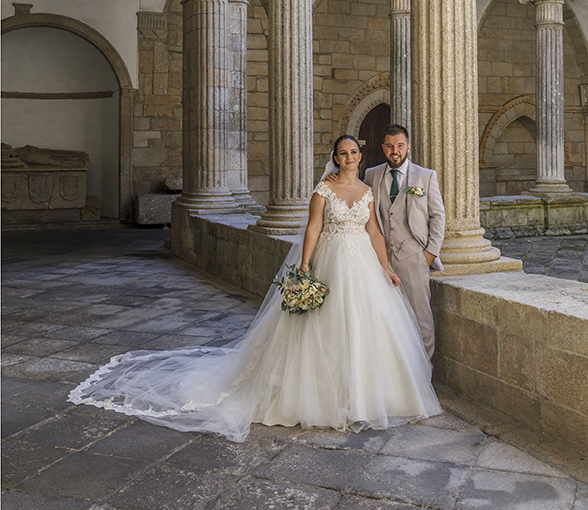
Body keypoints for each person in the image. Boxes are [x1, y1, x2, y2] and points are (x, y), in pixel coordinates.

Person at [69, 135, 441, 441]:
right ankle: (319, 396)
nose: (349, 158)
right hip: (330, 261)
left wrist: (385, 268)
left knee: (364, 326)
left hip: (363, 265)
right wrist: (305, 264)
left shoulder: (366, 190)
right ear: (335, 158)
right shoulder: (323, 190)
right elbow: (313, 227)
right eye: (343, 153)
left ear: (360, 156)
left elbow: (374, 231)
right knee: (320, 326)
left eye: (354, 152)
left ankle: (368, 396)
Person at [362, 125, 445, 360]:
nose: (395, 151)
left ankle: (425, 370)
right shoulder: (372, 175)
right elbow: (355, 194)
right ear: (383, 148)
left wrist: (430, 252)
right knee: (386, 317)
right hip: (380, 259)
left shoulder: (425, 176)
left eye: (399, 146)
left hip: (414, 256)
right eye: (389, 146)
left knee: (421, 317)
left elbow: (438, 216)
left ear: (408, 147)